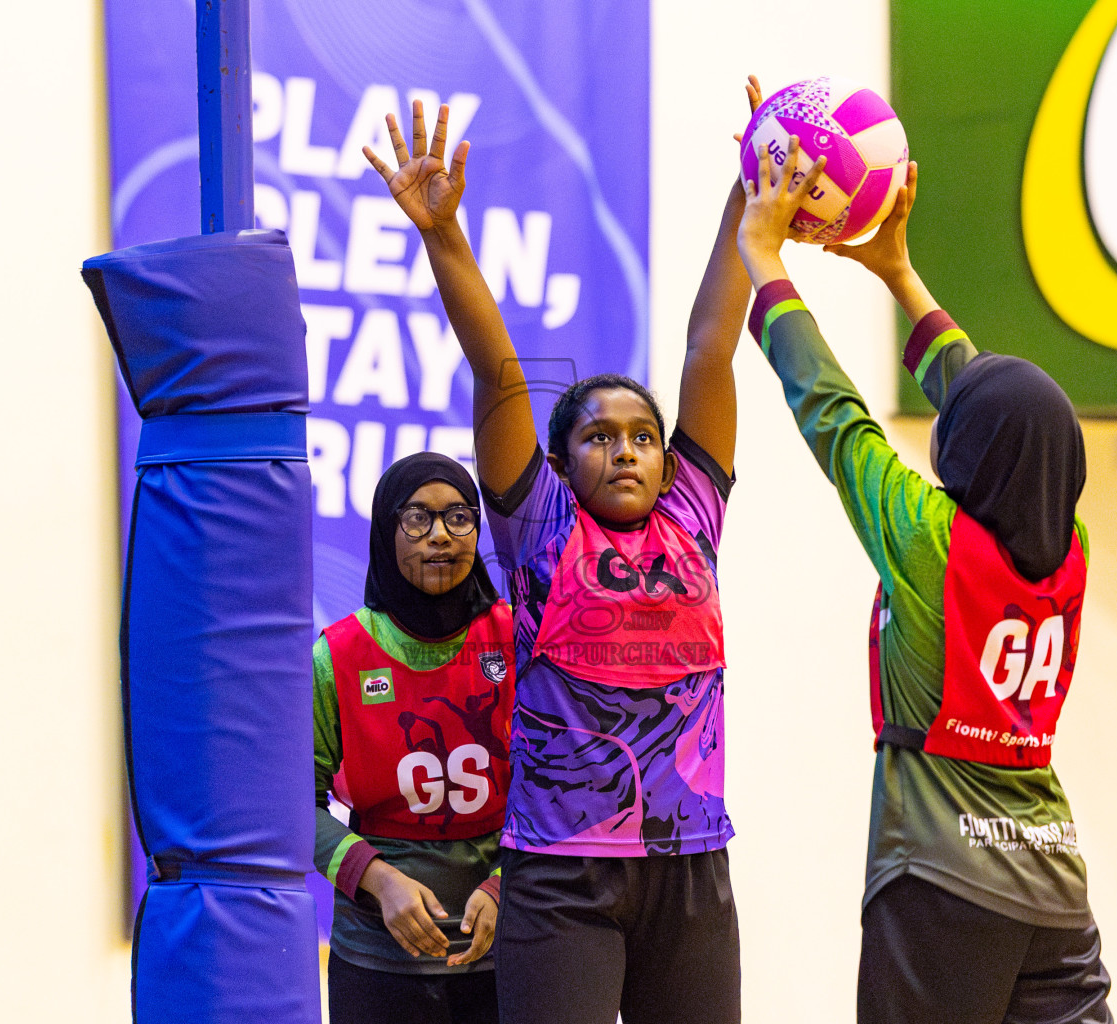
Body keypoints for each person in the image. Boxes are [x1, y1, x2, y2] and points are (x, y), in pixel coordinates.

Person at [360, 82, 776, 1024]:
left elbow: (711, 350)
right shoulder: (542, 524)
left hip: (690, 863)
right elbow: (498, 370)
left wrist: (747, 194)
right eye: (599, 436)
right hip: (560, 874)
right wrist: (443, 236)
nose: (625, 450)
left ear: (668, 460)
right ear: (558, 461)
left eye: (643, 437)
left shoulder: (693, 514)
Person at [735, 142, 1113, 1023]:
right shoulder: (1072, 544)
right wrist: (899, 274)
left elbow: (833, 413)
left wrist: (763, 257)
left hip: (943, 875)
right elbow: (1000, 413)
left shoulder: (927, 540)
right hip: (1054, 882)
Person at [313, 452, 517, 1024]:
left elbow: (563, 787)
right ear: (387, 529)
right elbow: (292, 804)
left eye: (459, 516)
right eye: (418, 518)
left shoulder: (517, 637)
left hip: (512, 946)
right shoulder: (337, 655)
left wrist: (506, 885)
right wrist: (378, 881)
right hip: (375, 955)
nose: (441, 536)